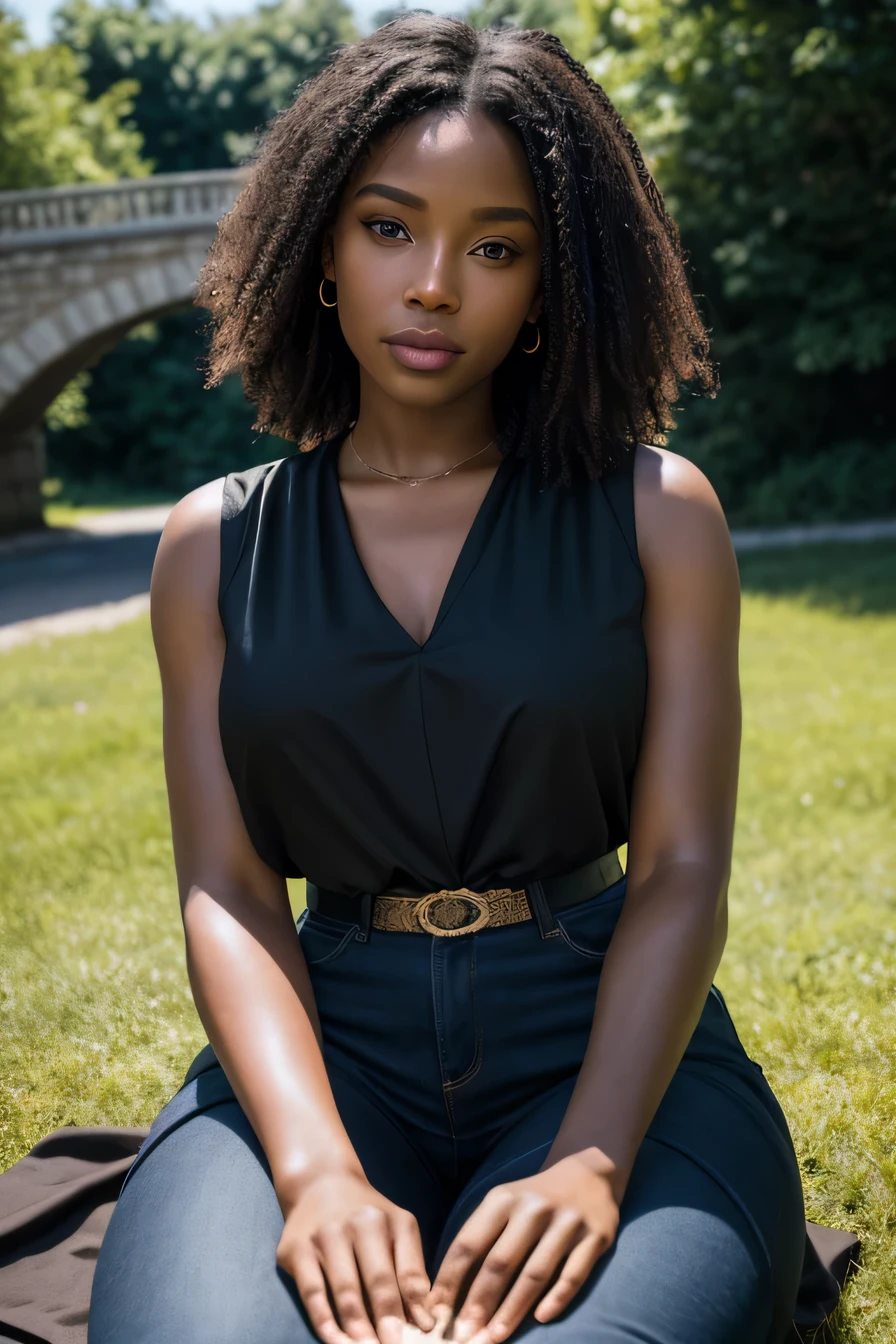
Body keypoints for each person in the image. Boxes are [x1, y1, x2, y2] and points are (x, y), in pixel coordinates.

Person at [87, 14, 812, 1344]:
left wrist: (594, 1158)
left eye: (496, 248)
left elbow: (681, 872)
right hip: (327, 1050)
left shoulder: (659, 514)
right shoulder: (211, 547)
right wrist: (310, 1171)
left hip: (608, 1051)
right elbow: (231, 890)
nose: (434, 284)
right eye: (387, 229)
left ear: (554, 282)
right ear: (319, 247)